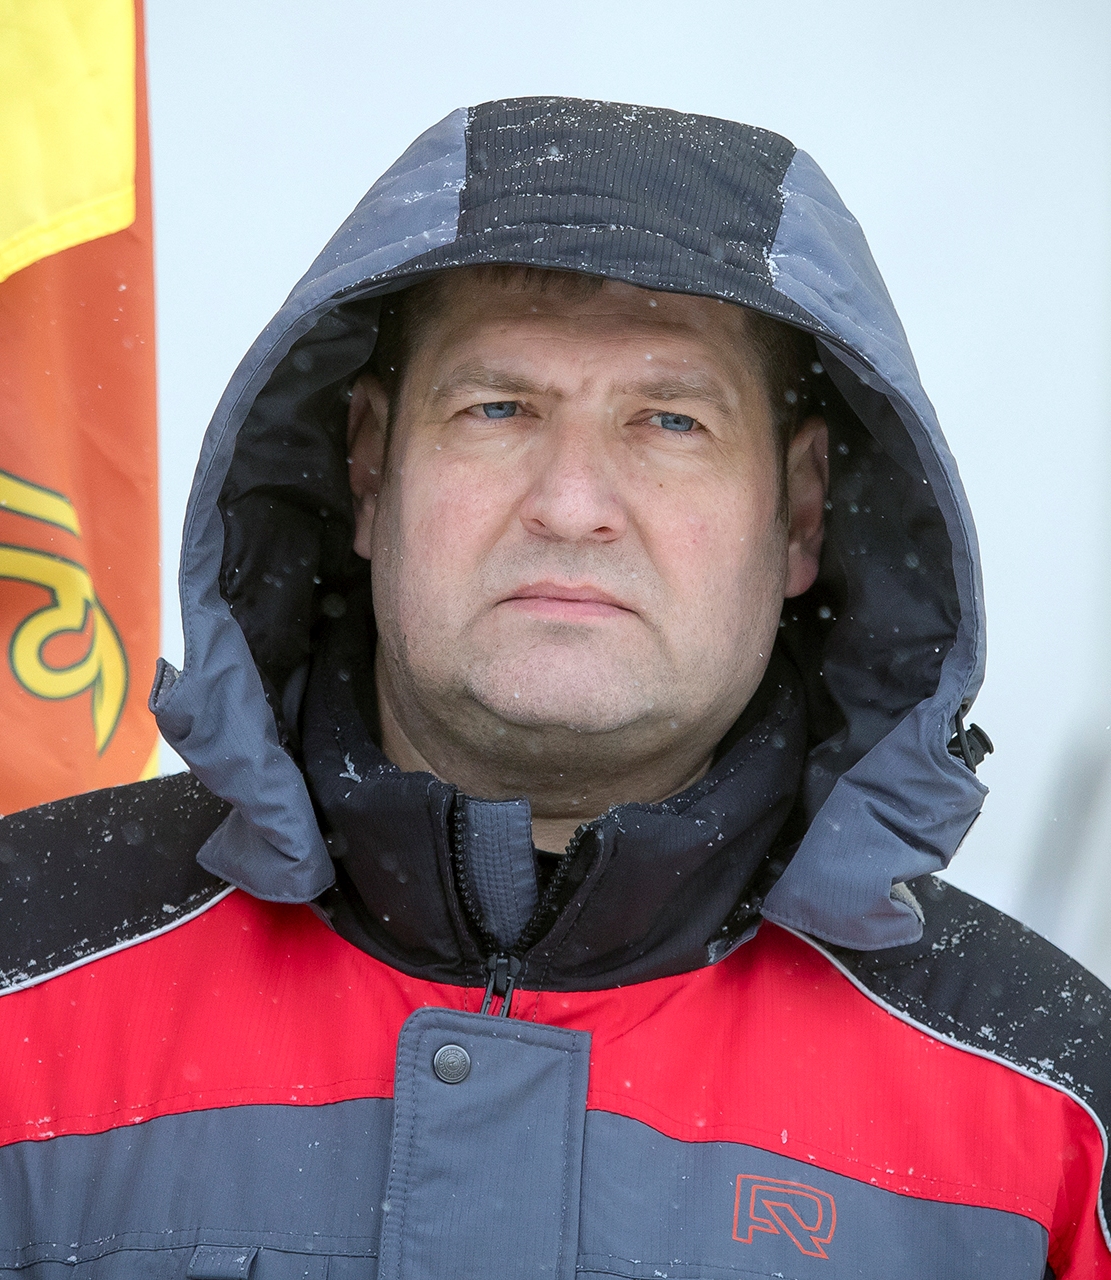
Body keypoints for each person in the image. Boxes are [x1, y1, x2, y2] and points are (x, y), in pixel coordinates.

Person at [1, 97, 1109, 1280]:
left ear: (797, 512)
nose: (572, 503)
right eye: (498, 408)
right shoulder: (24, 971)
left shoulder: (1047, 1122)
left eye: (670, 421)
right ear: (370, 467)